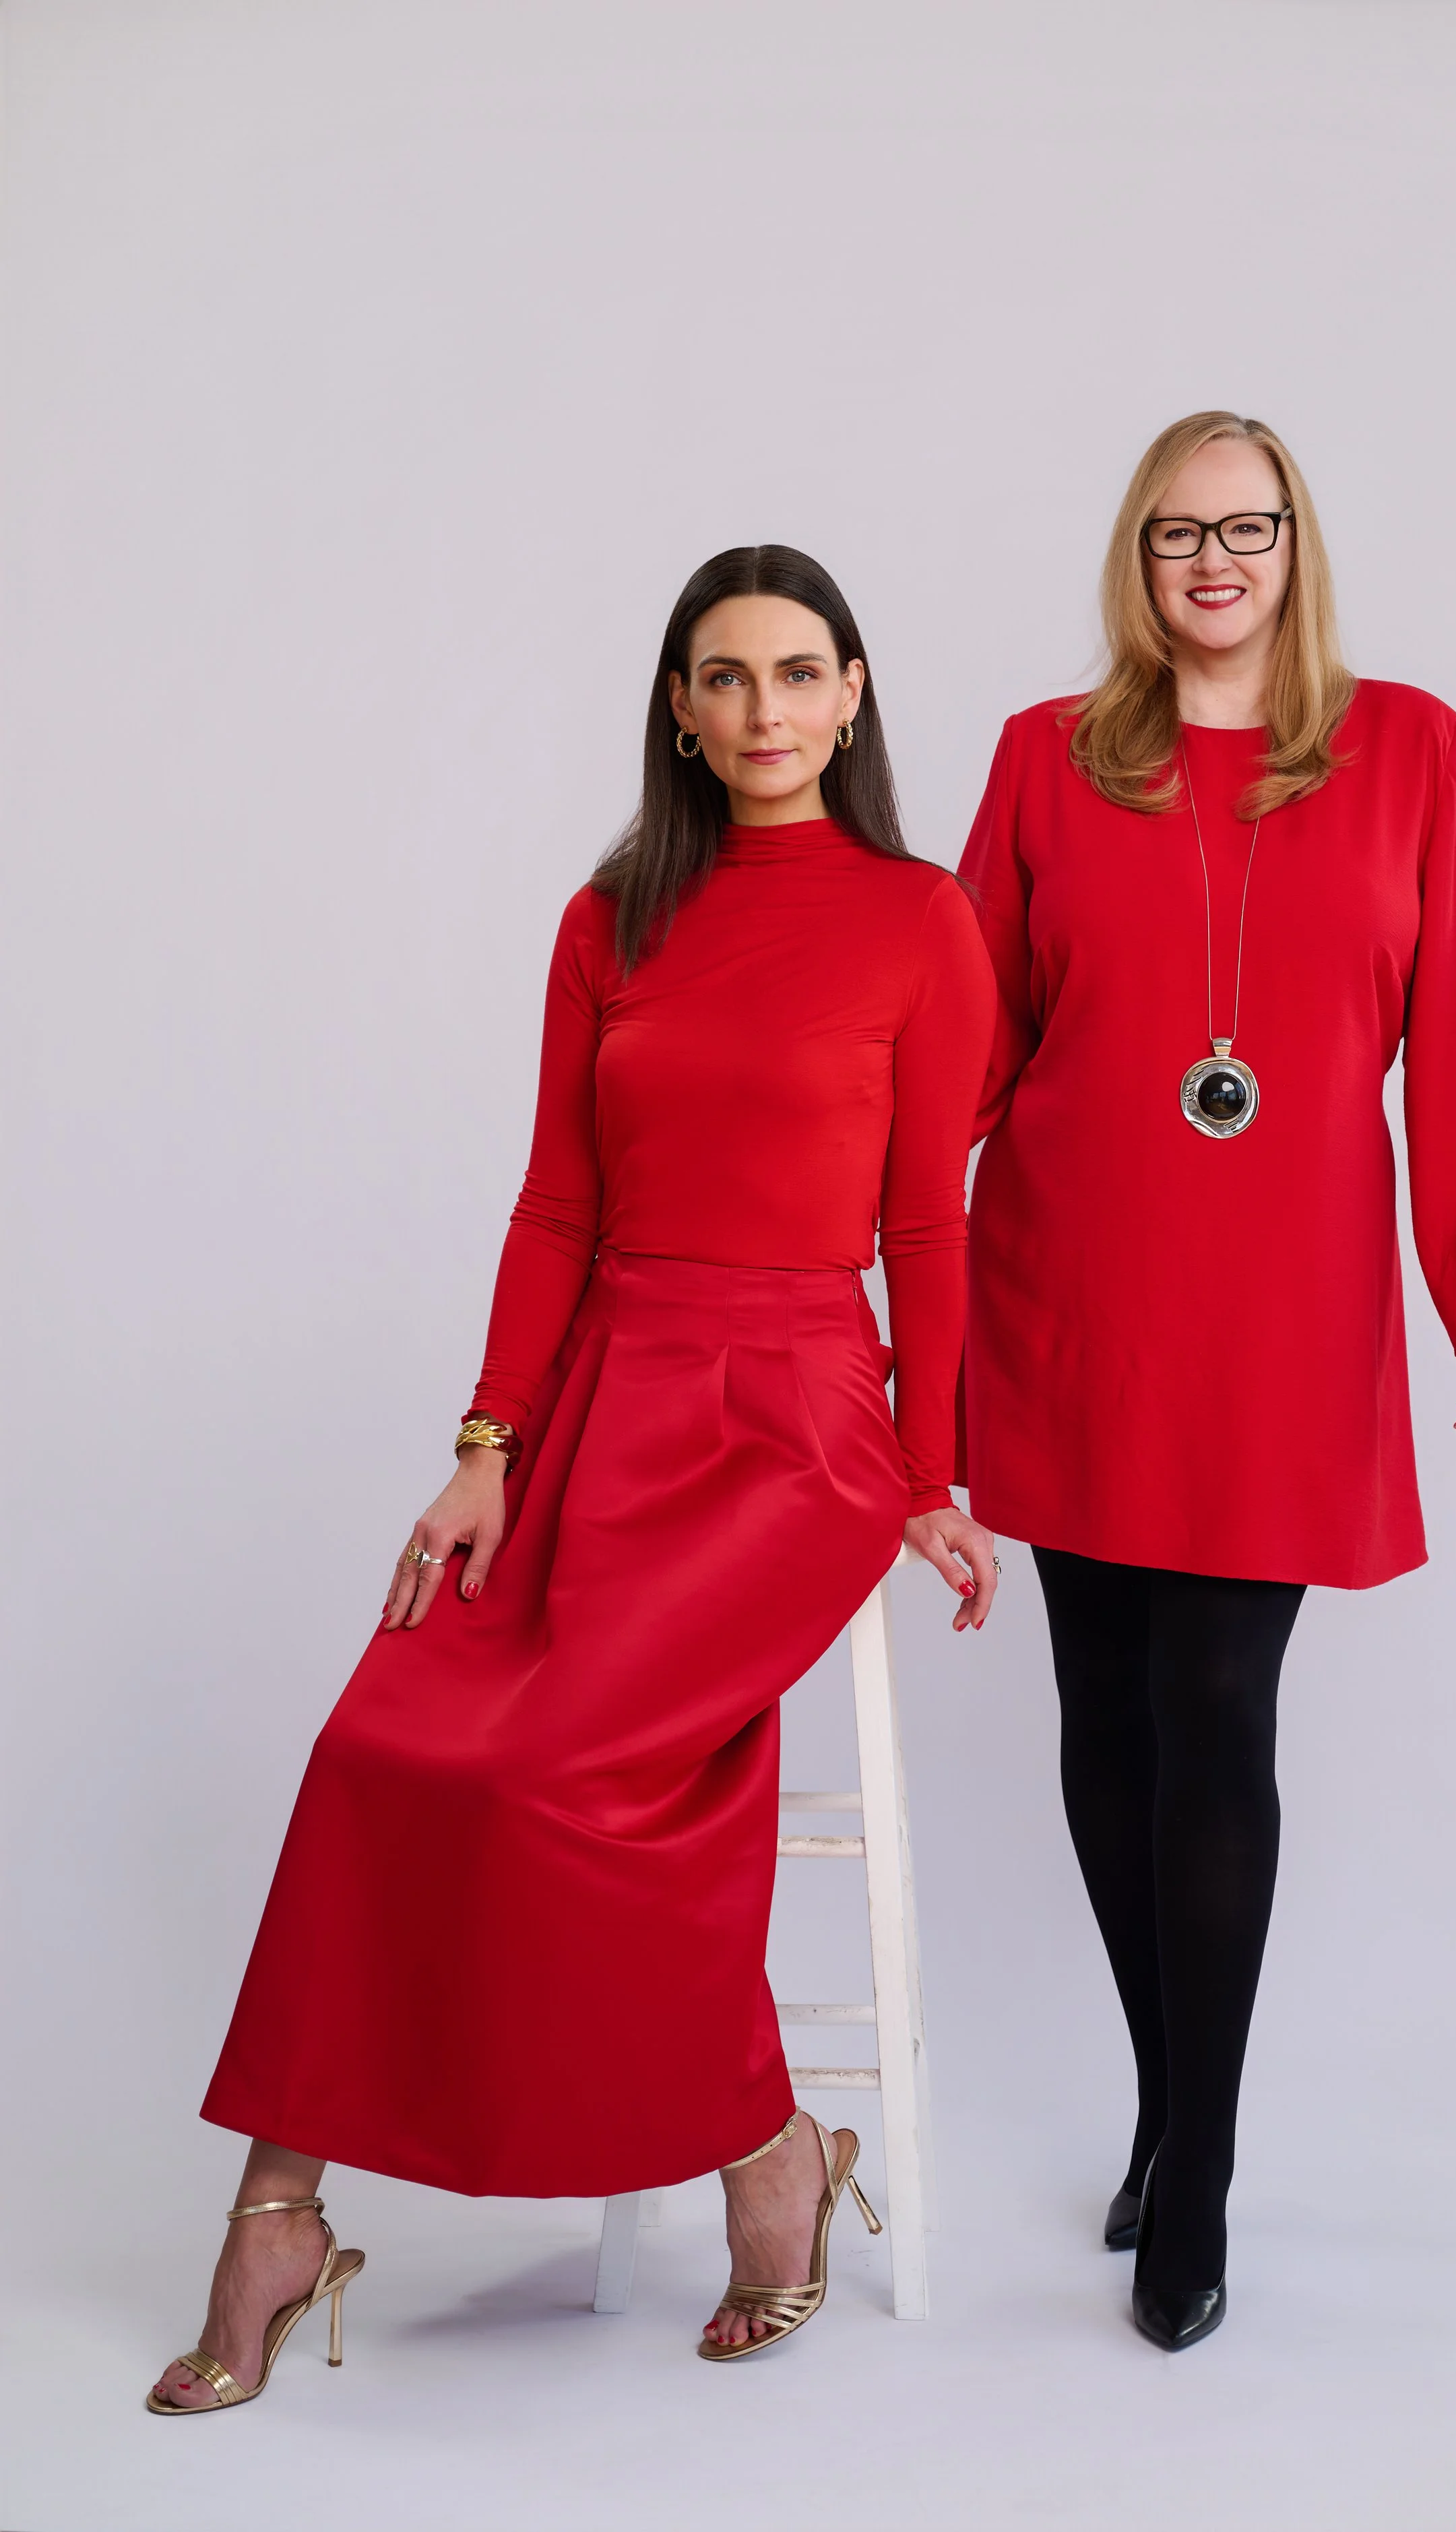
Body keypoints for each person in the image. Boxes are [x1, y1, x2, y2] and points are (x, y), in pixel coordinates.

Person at [148, 545, 999, 2410]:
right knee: (382, 1742)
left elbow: (926, 1227)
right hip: (601, 1396)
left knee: (564, 1767)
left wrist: (936, 1465)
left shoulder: (918, 921)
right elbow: (555, 1203)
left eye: (796, 672)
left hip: (791, 1420)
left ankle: (768, 2148)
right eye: (723, 677)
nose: (762, 709)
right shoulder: (609, 917)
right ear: (679, 712)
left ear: (851, 693)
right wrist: (481, 1448)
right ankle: (281, 2213)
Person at [958, 411, 1456, 2351]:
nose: (1211, 561)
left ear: (1296, 545)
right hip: (1065, 1298)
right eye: (1173, 532)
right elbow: (957, 1034)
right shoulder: (1044, 759)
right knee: (1105, 1718)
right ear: (1131, 561)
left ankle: (1191, 2163)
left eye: (1246, 527)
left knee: (1220, 1706)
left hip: (1282, 1316)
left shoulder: (1413, 752)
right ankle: (1165, 2094)